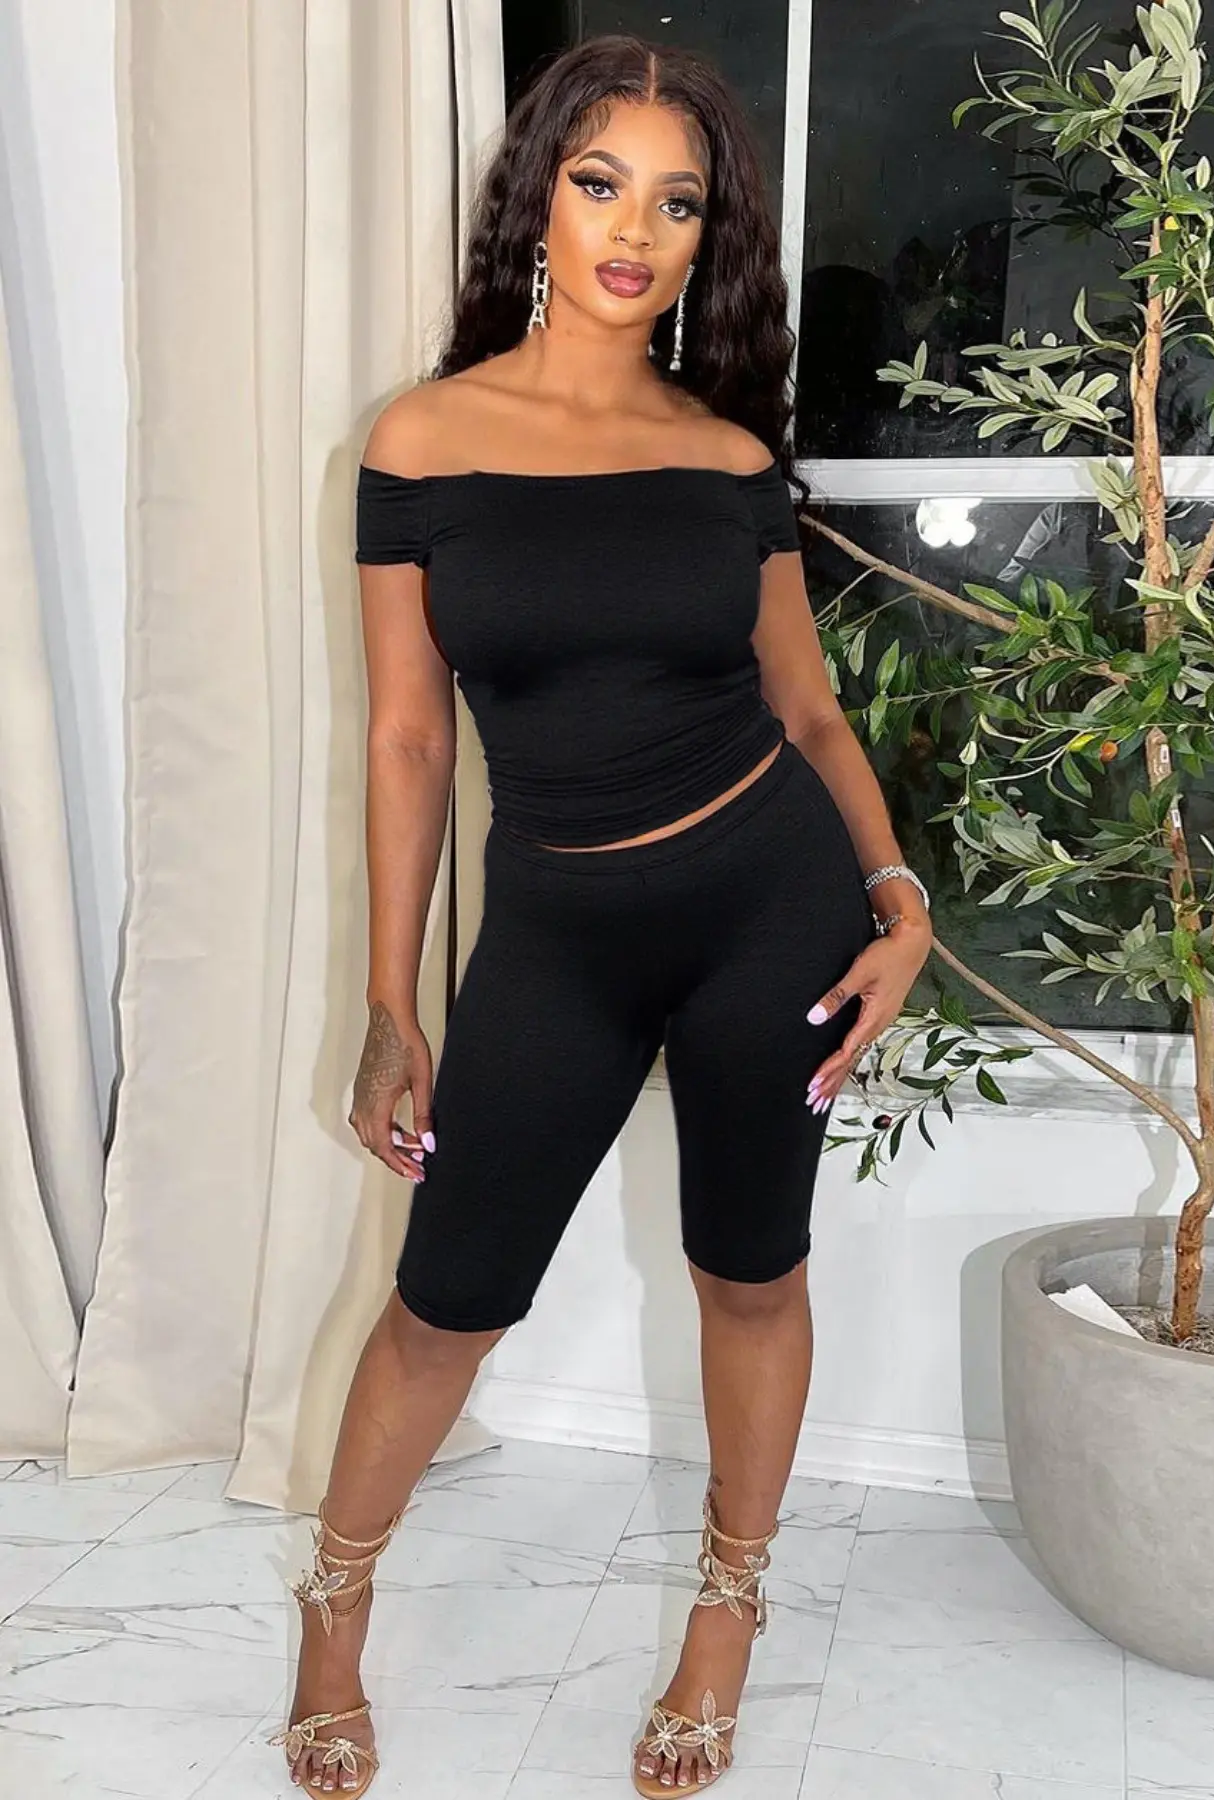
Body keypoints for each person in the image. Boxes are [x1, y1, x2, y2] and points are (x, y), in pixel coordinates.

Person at [269, 33, 932, 1798]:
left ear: (710, 237)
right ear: (538, 201)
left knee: (748, 1271)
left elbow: (808, 713)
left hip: (768, 907)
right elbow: (408, 739)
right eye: (598, 183)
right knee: (445, 1302)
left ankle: (729, 1611)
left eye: (677, 200)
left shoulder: (724, 456)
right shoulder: (421, 441)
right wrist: (392, 999)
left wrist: (894, 893)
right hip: (556, 930)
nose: (635, 230)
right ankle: (334, 1604)